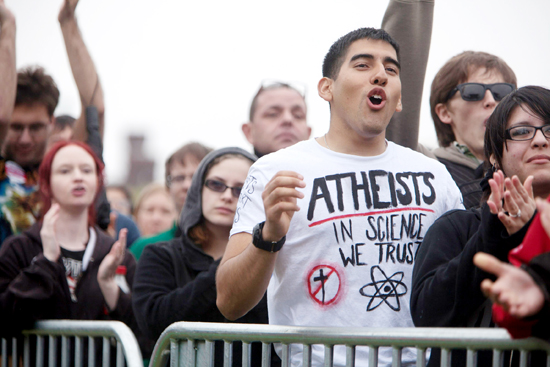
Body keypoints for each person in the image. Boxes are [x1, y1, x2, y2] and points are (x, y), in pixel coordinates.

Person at [216, 27, 463, 366]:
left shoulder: (436, 177)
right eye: (363, 65)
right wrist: (269, 235)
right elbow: (229, 302)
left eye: (391, 70)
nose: (380, 75)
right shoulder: (275, 170)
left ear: (400, 98)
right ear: (326, 88)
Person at [411, 86, 550, 366]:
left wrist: (533, 237)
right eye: (522, 131)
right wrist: (494, 233)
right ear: (495, 157)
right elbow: (428, 314)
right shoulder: (458, 226)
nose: (540, 141)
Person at [132, 147, 277, 366]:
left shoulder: (273, 260)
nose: (227, 196)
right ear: (199, 189)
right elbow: (154, 322)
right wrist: (230, 267)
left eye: (242, 189)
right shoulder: (161, 254)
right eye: (216, 185)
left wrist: (256, 252)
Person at [0, 140, 135, 334]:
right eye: (65, 171)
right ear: (45, 184)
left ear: (98, 182)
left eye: (87, 170)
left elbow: (141, 333)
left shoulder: (113, 254)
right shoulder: (19, 248)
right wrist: (45, 263)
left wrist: (108, 285)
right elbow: (6, 319)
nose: (78, 177)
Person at [0, 0, 107, 244]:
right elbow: (1, 116)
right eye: (16, 128)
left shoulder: (64, 169)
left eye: (35, 127)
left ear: (51, 122)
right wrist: (7, 27)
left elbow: (95, 109)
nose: (25, 138)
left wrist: (68, 23)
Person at [429, 51, 517, 209]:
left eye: (502, 92)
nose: (490, 101)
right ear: (444, 112)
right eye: (473, 92)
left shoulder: (534, 166)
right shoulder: (429, 169)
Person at [129, 142, 211, 260]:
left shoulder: (233, 246)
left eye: (195, 177)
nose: (187, 185)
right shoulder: (144, 248)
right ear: (168, 188)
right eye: (179, 178)